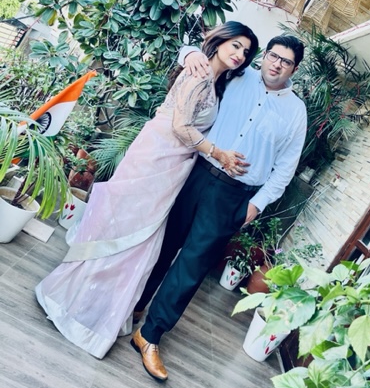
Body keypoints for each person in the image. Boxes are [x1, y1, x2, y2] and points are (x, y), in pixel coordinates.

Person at [35, 21, 259, 359]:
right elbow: (180, 125)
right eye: (236, 45)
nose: (240, 54)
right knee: (126, 227)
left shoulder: (217, 80)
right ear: (221, 41)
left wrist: (191, 53)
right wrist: (219, 153)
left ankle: (101, 306)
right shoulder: (199, 74)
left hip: (174, 165)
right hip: (156, 158)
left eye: (246, 52)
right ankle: (80, 303)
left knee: (140, 236)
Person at [131, 34, 307, 382]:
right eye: (273, 56)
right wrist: (190, 53)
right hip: (195, 173)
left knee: (192, 266)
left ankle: (150, 334)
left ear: (294, 69)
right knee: (161, 246)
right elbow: (199, 57)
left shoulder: (295, 111)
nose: (276, 64)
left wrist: (256, 205)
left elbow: (286, 168)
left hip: (233, 196)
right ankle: (134, 307)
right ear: (264, 55)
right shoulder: (237, 74)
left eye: (285, 61)